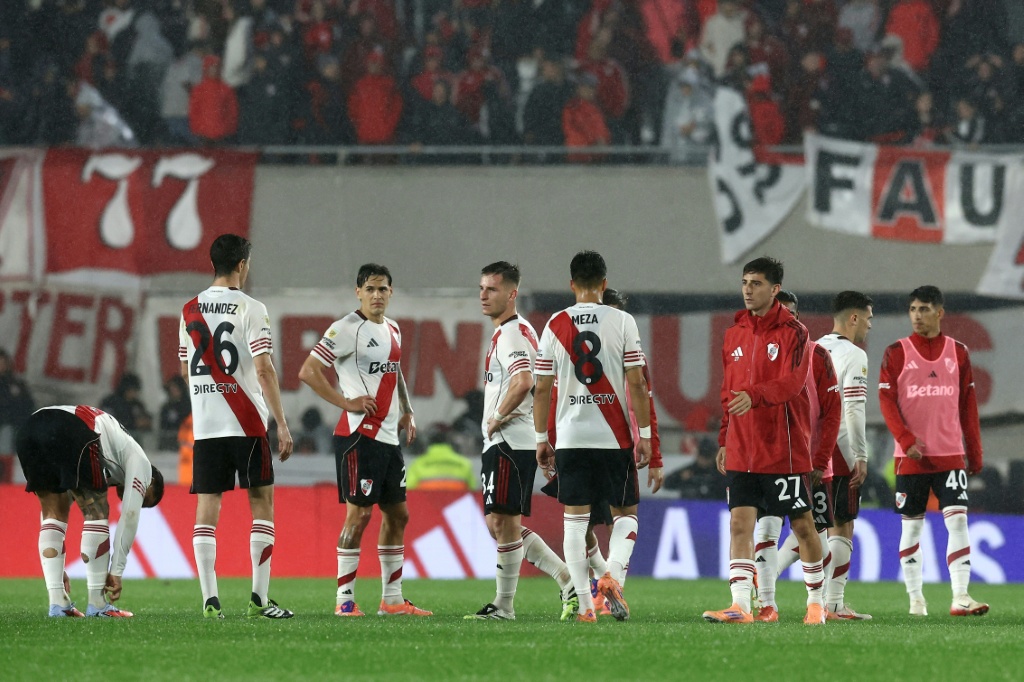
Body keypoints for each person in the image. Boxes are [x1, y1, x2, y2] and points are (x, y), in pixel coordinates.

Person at [298, 263, 431, 618]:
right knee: (358, 517)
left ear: (391, 292)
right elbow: (308, 371)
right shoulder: (344, 329)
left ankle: (392, 600)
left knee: (398, 514)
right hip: (359, 436)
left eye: (383, 289)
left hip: (388, 438)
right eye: (370, 289)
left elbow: (394, 370)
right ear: (358, 291)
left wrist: (407, 409)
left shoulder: (394, 329)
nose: (376, 295)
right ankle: (344, 600)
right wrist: (346, 402)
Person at [703, 256, 826, 626]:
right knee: (740, 524)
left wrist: (755, 396)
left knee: (803, 525)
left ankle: (816, 603)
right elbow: (727, 393)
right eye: (744, 282)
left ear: (774, 290)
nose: (747, 290)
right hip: (742, 448)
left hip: (782, 450)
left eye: (756, 283)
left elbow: (792, 384)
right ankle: (741, 605)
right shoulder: (734, 334)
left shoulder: (795, 333)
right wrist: (724, 438)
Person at [179, 233, 294, 620]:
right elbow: (264, 369)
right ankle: (259, 600)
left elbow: (184, 368)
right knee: (261, 504)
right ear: (243, 265)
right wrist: (281, 423)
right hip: (247, 424)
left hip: (207, 426)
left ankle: (210, 601)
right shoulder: (252, 308)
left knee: (207, 507)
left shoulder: (188, 309)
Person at [534, 251, 652, 623]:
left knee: (575, 522)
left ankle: (586, 607)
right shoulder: (622, 320)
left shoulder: (555, 324)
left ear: (571, 285)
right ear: (604, 283)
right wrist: (645, 434)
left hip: (570, 438)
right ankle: (613, 575)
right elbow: (637, 381)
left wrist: (541, 438)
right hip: (614, 437)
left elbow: (541, 389)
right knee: (626, 516)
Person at [466, 261, 576, 622]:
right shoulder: (514, 330)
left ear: (512, 294)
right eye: (481, 288)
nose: (483, 295)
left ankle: (504, 605)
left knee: (503, 521)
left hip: (510, 441)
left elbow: (524, 380)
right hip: (510, 442)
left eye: (492, 289)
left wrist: (496, 418)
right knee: (499, 524)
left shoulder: (513, 333)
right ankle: (566, 578)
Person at [879, 285, 988, 617]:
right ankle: (916, 600)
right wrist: (905, 438)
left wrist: (974, 450)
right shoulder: (896, 352)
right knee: (912, 527)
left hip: (950, 454)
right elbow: (886, 402)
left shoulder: (959, 352)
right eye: (912, 309)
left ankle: (961, 597)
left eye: (924, 309)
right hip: (910, 458)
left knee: (958, 524)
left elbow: (968, 406)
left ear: (939, 313)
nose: (917, 315)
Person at [15, 404, 165, 618]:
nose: (136, 498)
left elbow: (51, 516)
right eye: (144, 498)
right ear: (150, 481)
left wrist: (54, 569)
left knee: (54, 512)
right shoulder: (142, 465)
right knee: (97, 511)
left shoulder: (113, 456)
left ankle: (58, 603)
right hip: (72, 429)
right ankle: (97, 604)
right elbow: (129, 517)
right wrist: (116, 571)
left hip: (30, 428)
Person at [752, 289, 840, 623]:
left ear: (798, 318)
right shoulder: (756, 353)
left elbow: (833, 413)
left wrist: (821, 459)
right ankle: (767, 604)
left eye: (788, 314)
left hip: (807, 462)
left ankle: (812, 602)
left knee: (818, 541)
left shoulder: (817, 355)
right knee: (766, 529)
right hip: (764, 457)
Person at [817, 291, 874, 619]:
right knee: (843, 525)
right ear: (853, 318)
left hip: (810, 447)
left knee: (813, 527)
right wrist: (860, 456)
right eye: (867, 317)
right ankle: (834, 603)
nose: (869, 324)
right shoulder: (854, 355)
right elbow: (852, 409)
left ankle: (771, 584)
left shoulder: (814, 347)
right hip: (838, 450)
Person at [406, 423, 475, 491]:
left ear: (428, 441)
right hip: (456, 502)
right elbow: (474, 492)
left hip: (427, 501)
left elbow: (409, 492)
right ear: (449, 440)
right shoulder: (464, 464)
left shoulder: (418, 464)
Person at [0, 348, 35, 451]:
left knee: (7, 434)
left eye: (2, 362)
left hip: (12, 424)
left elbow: (27, 404)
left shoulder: (15, 384)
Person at [100, 372, 153, 440]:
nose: (134, 393)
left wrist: (146, 423)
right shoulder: (110, 402)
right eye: (132, 390)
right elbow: (107, 423)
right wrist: (133, 423)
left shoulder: (137, 404)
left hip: (133, 443)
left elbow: (146, 422)